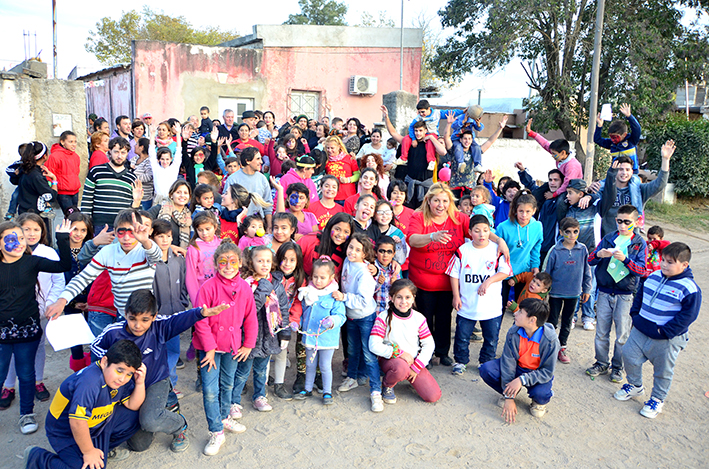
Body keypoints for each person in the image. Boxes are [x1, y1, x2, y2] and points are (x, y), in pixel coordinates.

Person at [90, 289, 228, 454]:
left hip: (156, 382)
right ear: (125, 313)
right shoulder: (113, 332)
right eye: (132, 318)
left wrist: (200, 313)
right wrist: (109, 365)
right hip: (126, 387)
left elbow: (178, 319)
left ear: (154, 316)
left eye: (145, 320)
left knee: (149, 421)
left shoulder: (159, 327)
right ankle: (156, 413)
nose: (137, 325)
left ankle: (179, 425)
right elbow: (95, 346)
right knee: (138, 445)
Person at [24, 340, 147, 469]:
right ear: (105, 362)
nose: (123, 378)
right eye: (119, 371)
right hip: (65, 432)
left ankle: (101, 450)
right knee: (90, 466)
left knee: (134, 416)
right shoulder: (90, 382)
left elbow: (133, 405)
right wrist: (88, 452)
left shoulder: (117, 380)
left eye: (129, 374)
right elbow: (77, 422)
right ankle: (38, 458)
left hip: (94, 424)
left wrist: (139, 383)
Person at [0, 218, 71, 434]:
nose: (21, 242)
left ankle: (26, 414)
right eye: (14, 239)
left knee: (27, 372)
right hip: (1, 333)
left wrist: (62, 239)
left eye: (22, 238)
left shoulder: (33, 262)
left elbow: (64, 266)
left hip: (28, 330)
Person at [614, 242, 700, 419]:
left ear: (684, 265)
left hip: (666, 338)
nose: (664, 265)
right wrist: (635, 316)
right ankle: (635, 385)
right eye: (663, 260)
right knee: (629, 355)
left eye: (670, 262)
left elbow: (688, 316)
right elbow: (639, 296)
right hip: (641, 329)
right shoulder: (653, 276)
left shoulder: (689, 288)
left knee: (663, 370)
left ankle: (657, 399)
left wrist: (666, 332)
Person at [193, 241, 257, 456]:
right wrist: (209, 348)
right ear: (215, 264)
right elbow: (200, 320)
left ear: (240, 263)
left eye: (232, 262)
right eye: (223, 262)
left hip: (232, 346)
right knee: (210, 391)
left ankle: (223, 417)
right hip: (209, 347)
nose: (228, 266)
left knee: (227, 384)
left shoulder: (245, 288)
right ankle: (216, 430)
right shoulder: (207, 287)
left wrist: (248, 343)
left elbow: (250, 318)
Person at [45, 210, 162, 321]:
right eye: (121, 232)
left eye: (131, 232)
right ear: (115, 231)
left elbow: (156, 256)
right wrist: (62, 300)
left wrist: (146, 241)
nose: (126, 238)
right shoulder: (107, 252)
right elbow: (84, 278)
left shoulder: (145, 249)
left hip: (144, 314)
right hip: (122, 313)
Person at [406, 183, 469, 365]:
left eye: (445, 201)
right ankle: (425, 354)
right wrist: (432, 236)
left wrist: (499, 241)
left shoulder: (459, 218)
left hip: (448, 282)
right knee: (424, 318)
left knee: (444, 317)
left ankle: (442, 352)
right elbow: (412, 239)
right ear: (428, 201)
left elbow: (479, 231)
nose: (441, 205)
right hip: (422, 282)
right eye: (436, 201)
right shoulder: (418, 217)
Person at [586, 204, 647, 383]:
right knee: (601, 332)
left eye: (627, 222)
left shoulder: (639, 243)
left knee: (622, 334)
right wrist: (600, 255)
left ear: (636, 222)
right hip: (604, 292)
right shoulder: (609, 238)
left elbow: (642, 270)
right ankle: (601, 362)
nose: (622, 225)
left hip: (625, 294)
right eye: (619, 221)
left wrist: (626, 260)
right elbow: (590, 259)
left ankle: (618, 367)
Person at [447, 215, 512, 373]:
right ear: (470, 232)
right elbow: (453, 274)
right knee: (462, 336)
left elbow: (506, 271)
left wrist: (488, 281)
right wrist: (456, 296)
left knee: (491, 338)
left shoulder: (496, 250)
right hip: (467, 303)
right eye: (477, 231)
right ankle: (460, 361)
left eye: (485, 230)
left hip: (491, 305)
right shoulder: (463, 251)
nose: (482, 234)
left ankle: (486, 361)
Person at [479, 298, 560, 422]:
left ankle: (538, 401)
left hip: (536, 373)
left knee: (541, 394)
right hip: (517, 368)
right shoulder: (513, 332)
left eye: (520, 312)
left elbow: (547, 372)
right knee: (487, 369)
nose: (515, 313)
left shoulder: (550, 341)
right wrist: (509, 397)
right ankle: (510, 391)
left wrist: (522, 380)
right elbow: (508, 363)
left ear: (532, 320)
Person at [232, 246, 290, 413]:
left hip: (268, 336)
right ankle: (234, 401)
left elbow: (283, 309)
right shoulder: (245, 283)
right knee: (242, 371)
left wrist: (285, 332)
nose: (264, 264)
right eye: (260, 261)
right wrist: (263, 287)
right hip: (250, 337)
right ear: (252, 262)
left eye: (267, 261)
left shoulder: (276, 284)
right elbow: (249, 309)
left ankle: (259, 396)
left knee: (261, 370)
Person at [369, 279, 440, 404]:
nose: (403, 302)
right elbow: (374, 345)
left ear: (413, 298)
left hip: (413, 362)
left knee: (433, 396)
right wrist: (399, 353)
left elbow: (429, 344)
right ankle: (388, 385)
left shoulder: (419, 318)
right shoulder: (383, 317)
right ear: (391, 298)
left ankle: (409, 376)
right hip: (391, 360)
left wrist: (417, 367)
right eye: (399, 297)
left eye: (408, 297)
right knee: (401, 368)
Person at [335, 234, 383, 412]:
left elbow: (364, 300)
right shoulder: (347, 262)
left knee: (369, 353)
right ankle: (353, 377)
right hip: (351, 315)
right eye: (351, 247)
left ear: (365, 254)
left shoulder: (364, 272)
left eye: (357, 250)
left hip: (364, 316)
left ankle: (376, 391)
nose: (352, 252)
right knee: (353, 349)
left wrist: (344, 297)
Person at [292, 256, 346, 405]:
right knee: (310, 364)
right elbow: (303, 312)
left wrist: (332, 321)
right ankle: (307, 388)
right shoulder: (308, 293)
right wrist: (297, 323)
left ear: (331, 277)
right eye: (315, 277)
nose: (318, 281)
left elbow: (341, 316)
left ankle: (327, 391)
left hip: (327, 339)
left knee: (324, 365)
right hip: (310, 336)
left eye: (322, 277)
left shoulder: (334, 296)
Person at [595, 140, 674, 237]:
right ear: (614, 169)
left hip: (631, 240)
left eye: (627, 170)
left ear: (632, 172)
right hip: (608, 239)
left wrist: (665, 160)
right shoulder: (604, 189)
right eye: (620, 169)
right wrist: (589, 194)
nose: (624, 173)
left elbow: (659, 185)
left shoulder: (639, 190)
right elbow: (593, 199)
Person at [544, 217, 592, 364]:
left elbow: (587, 271)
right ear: (561, 232)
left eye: (575, 232)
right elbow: (546, 271)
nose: (572, 235)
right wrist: (544, 290)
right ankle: (548, 347)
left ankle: (562, 347)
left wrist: (587, 289)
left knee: (567, 321)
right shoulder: (555, 250)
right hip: (555, 293)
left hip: (574, 292)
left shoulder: (582, 249)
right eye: (568, 232)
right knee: (552, 321)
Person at [150, 219, 189, 397]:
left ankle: (170, 386)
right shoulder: (149, 261)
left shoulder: (178, 260)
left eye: (168, 236)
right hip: (156, 317)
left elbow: (183, 285)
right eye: (160, 236)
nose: (165, 240)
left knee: (173, 351)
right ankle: (156, 388)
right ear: (152, 237)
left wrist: (182, 303)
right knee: (156, 353)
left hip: (174, 315)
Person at [555, 178, 599, 330]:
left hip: (591, 252)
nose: (567, 196)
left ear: (580, 194)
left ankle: (588, 316)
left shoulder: (593, 207)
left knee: (590, 286)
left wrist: (590, 196)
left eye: (570, 193)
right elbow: (560, 199)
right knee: (574, 285)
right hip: (573, 253)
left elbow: (604, 198)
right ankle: (572, 316)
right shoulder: (568, 208)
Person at [382, 107, 447, 208]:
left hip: (426, 186)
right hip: (410, 183)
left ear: (425, 130)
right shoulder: (410, 142)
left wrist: (430, 137)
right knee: (403, 207)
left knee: (425, 212)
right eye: (416, 131)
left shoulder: (430, 142)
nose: (418, 133)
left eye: (421, 130)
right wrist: (386, 117)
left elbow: (443, 151)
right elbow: (393, 133)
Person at [497, 190, 544, 312]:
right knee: (499, 307)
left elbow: (535, 248)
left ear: (534, 211)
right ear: (515, 211)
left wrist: (535, 266)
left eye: (528, 212)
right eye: (521, 211)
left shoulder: (537, 227)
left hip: (523, 272)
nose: (524, 215)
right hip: (503, 272)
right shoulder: (503, 227)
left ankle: (518, 331)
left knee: (522, 308)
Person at [81, 137, 142, 229]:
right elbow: (87, 200)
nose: (119, 156)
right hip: (99, 224)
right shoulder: (96, 171)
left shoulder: (132, 177)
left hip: (123, 226)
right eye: (116, 152)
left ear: (127, 154)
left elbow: (136, 206)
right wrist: (86, 223)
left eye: (123, 153)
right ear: (109, 152)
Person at [271, 242, 306, 400]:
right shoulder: (272, 276)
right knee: (265, 353)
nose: (287, 263)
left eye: (292, 260)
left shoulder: (299, 279)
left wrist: (294, 319)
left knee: (282, 352)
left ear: (298, 261)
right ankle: (262, 382)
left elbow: (298, 302)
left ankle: (279, 383)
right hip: (269, 320)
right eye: (284, 259)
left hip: (285, 322)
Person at [525, 118, 583, 196]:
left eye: (554, 154)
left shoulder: (572, 166)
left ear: (563, 153)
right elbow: (545, 144)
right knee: (538, 193)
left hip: (571, 189)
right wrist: (531, 133)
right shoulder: (560, 156)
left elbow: (566, 184)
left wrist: (553, 195)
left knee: (560, 203)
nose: (552, 156)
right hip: (562, 183)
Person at [223, 147, 274, 230]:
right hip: (237, 227)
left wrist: (269, 226)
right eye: (258, 159)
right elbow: (226, 204)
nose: (261, 162)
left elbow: (268, 205)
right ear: (247, 161)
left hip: (258, 227)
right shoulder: (233, 179)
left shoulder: (262, 179)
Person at [185, 212, 222, 306]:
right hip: (204, 292)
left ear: (215, 227)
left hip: (222, 291)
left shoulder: (221, 244)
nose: (204, 233)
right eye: (200, 230)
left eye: (207, 229)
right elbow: (191, 277)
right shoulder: (194, 248)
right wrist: (196, 301)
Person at [594, 103, 641, 173]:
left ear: (624, 135)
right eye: (611, 137)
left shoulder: (631, 141)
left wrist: (629, 116)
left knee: (633, 183)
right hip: (616, 174)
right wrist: (599, 126)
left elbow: (637, 129)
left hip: (632, 173)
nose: (613, 140)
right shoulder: (612, 144)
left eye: (615, 137)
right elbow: (597, 140)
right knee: (600, 183)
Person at [17, 142, 57, 219]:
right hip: (34, 217)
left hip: (23, 212)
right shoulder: (36, 175)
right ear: (44, 156)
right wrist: (54, 179)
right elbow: (51, 196)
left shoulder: (24, 169)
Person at [148, 180, 193, 250]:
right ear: (171, 195)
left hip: (180, 257)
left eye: (185, 193)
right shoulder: (159, 209)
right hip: (159, 253)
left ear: (189, 197)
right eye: (178, 192)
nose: (182, 195)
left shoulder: (189, 216)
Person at [45, 131, 81, 215]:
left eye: (75, 142)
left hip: (75, 191)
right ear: (62, 142)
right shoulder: (55, 156)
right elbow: (49, 174)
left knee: (75, 216)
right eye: (70, 142)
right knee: (70, 216)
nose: (74, 144)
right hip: (63, 192)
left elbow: (76, 172)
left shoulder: (76, 156)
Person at [324, 136, 360, 205]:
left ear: (339, 147)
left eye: (332, 148)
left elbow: (358, 175)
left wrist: (348, 180)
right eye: (328, 148)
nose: (329, 150)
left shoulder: (349, 158)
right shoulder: (326, 160)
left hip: (348, 196)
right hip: (332, 197)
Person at [372, 236, 402, 316]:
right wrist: (378, 283)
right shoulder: (372, 268)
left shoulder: (394, 270)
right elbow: (367, 291)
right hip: (374, 312)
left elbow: (399, 293)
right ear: (375, 252)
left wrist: (394, 285)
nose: (385, 255)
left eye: (389, 252)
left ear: (393, 254)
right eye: (382, 251)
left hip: (390, 312)